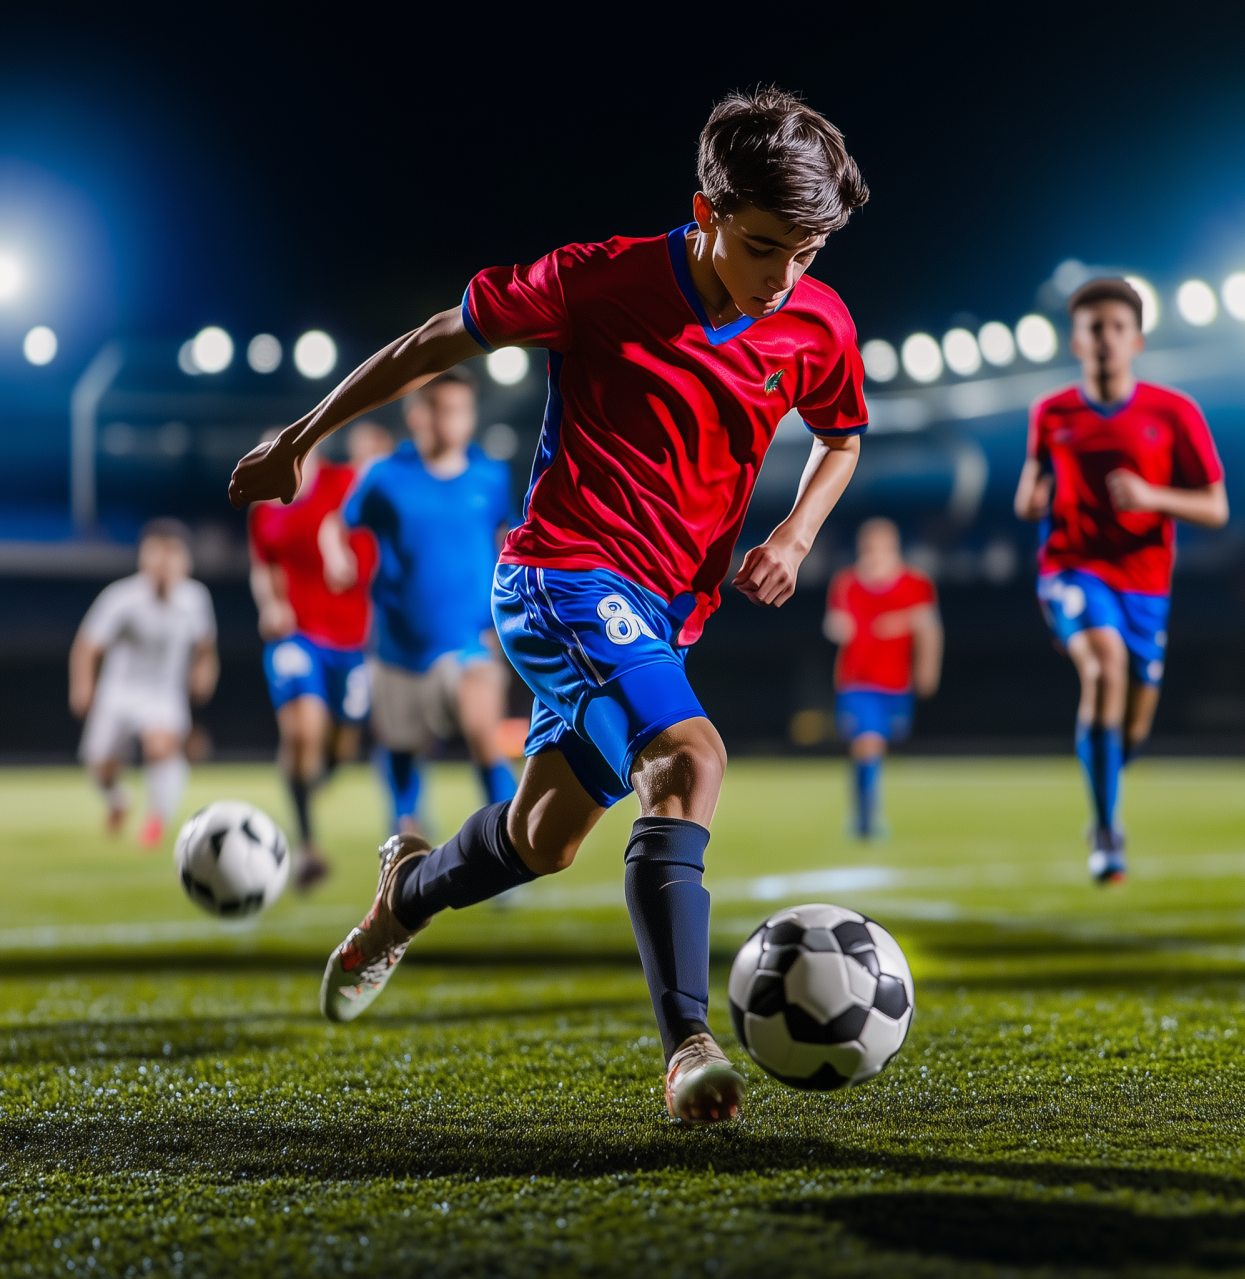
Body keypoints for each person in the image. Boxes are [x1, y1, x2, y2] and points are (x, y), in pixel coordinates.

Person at [230, 88, 870, 1125]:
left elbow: (841, 435)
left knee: (543, 837)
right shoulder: (597, 280)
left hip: (663, 610)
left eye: (807, 253)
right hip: (560, 575)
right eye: (763, 247)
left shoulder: (815, 321)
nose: (783, 278)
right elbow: (435, 340)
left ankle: (405, 897)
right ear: (704, 209)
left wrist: (793, 535)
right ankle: (690, 1048)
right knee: (691, 758)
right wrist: (302, 439)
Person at [1014, 278, 1228, 883]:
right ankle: (1108, 834)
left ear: (1136, 338)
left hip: (1145, 586)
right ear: (1075, 341)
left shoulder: (1174, 411)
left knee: (1131, 728)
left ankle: (1104, 794)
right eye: (1092, 328)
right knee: (1103, 665)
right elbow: (1028, 493)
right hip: (1072, 571)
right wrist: (1035, 498)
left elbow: (1215, 507)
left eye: (1115, 327)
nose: (1104, 338)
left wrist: (1150, 495)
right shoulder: (1052, 413)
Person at [340, 367, 517, 834]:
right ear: (418, 414)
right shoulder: (384, 477)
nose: (452, 420)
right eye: (441, 409)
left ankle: (510, 843)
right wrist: (337, 556)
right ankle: (409, 836)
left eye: (461, 409)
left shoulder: (490, 476)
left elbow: (508, 541)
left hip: (469, 639)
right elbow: (340, 525)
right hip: (398, 641)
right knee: (401, 748)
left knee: (484, 734)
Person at [248, 437, 379, 888]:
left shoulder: (343, 481)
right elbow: (262, 564)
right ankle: (307, 847)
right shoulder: (264, 508)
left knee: (342, 748)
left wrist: (337, 541)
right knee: (304, 733)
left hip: (350, 638)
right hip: (296, 637)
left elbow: (378, 481)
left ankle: (302, 788)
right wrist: (270, 603)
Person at [70, 519, 218, 848]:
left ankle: (156, 820)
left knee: (161, 746)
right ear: (143, 559)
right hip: (118, 692)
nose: (163, 564)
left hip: (163, 694)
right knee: (101, 766)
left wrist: (205, 670)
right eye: (156, 555)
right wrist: (82, 686)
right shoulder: (121, 598)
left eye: (171, 555)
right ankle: (117, 800)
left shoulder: (195, 599)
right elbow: (88, 645)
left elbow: (205, 644)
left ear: (186, 562)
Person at [824, 518, 942, 838]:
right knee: (867, 744)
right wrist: (840, 627)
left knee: (877, 747)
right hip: (857, 682)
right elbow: (835, 621)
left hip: (896, 685)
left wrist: (927, 669)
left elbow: (929, 630)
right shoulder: (847, 582)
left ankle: (862, 811)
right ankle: (867, 820)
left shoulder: (916, 584)